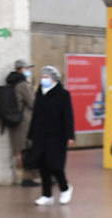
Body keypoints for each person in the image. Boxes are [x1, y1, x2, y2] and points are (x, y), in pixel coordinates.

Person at [27, 65, 75, 206]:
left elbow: (68, 116)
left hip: (57, 136)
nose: (43, 79)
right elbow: (35, 115)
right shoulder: (39, 93)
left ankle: (65, 188)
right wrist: (31, 134)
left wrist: (70, 135)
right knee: (43, 165)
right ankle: (46, 194)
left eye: (46, 77)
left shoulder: (63, 94)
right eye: (42, 77)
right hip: (40, 135)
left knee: (55, 165)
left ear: (54, 79)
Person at [4, 59, 39, 187]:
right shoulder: (22, 84)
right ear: (20, 69)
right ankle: (26, 178)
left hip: (14, 120)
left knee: (18, 150)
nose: (29, 71)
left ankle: (21, 177)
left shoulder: (11, 82)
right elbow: (32, 103)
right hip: (24, 121)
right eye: (27, 68)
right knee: (27, 150)